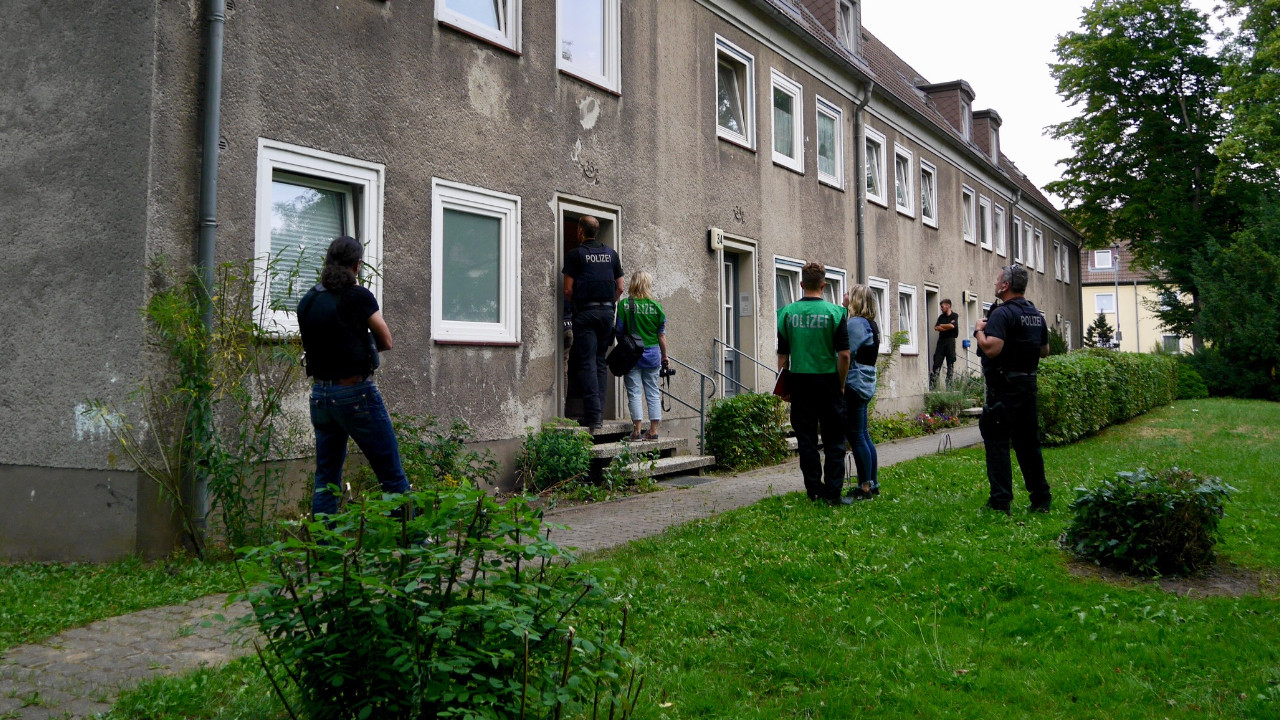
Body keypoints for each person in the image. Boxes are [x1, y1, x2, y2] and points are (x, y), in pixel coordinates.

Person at [297, 236, 411, 518]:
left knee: (326, 479)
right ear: (357, 264)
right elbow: (386, 340)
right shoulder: (358, 296)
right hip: (355, 394)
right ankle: (413, 542)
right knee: (391, 473)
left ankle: (324, 547)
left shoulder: (308, 300)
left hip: (320, 397)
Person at [974, 264, 1052, 515]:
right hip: (1028, 385)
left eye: (998, 280)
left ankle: (1000, 501)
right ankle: (1041, 499)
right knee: (1029, 444)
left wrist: (978, 330)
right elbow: (1044, 350)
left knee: (997, 442)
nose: (995, 283)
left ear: (1006, 286)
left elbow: (991, 348)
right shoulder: (1034, 314)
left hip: (1003, 387)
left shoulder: (1001, 314)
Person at [777, 262, 852, 506]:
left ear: (801, 284)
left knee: (806, 440)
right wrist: (840, 384)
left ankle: (813, 490)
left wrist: (785, 387)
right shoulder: (837, 313)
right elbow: (844, 355)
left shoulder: (786, 313)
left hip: (800, 382)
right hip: (829, 381)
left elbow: (783, 357)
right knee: (834, 440)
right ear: (823, 284)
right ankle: (832, 493)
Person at [563, 216, 624, 431]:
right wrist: (608, 305)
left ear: (580, 231)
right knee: (599, 361)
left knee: (586, 361)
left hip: (586, 314)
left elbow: (568, 290)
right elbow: (620, 287)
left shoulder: (575, 254)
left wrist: (578, 305)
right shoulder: (611, 254)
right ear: (596, 232)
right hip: (607, 313)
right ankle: (598, 411)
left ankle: (593, 417)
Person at [615, 271, 668, 441]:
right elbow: (661, 336)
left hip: (631, 356)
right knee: (653, 392)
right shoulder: (656, 307)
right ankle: (653, 431)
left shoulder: (624, 305)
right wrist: (664, 356)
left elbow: (619, 332)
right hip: (653, 355)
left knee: (634, 392)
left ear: (633, 283)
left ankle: (637, 430)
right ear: (648, 285)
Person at [843, 285, 881, 500]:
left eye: (848, 293)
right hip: (866, 383)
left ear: (856, 299)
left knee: (857, 436)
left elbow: (845, 353)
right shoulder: (871, 324)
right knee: (864, 434)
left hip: (855, 384)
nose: (845, 296)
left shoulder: (856, 324)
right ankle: (872, 483)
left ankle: (865, 487)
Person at [930, 298, 959, 387]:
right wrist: (947, 326)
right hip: (941, 342)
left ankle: (949, 386)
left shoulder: (954, 316)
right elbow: (936, 328)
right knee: (936, 364)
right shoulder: (941, 317)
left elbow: (952, 326)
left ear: (948, 306)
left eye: (942, 307)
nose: (941, 309)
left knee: (950, 364)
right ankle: (933, 385)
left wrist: (942, 326)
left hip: (950, 341)